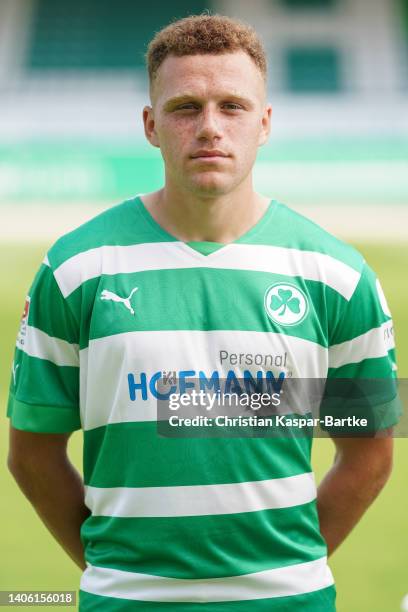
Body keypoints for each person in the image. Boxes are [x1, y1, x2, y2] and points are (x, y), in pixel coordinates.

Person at [7, 14, 401, 611]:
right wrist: (116, 573)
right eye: (186, 106)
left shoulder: (336, 276)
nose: (210, 127)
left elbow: (369, 449)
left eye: (233, 107)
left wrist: (289, 568)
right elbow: (33, 451)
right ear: (150, 125)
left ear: (264, 124)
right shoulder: (76, 269)